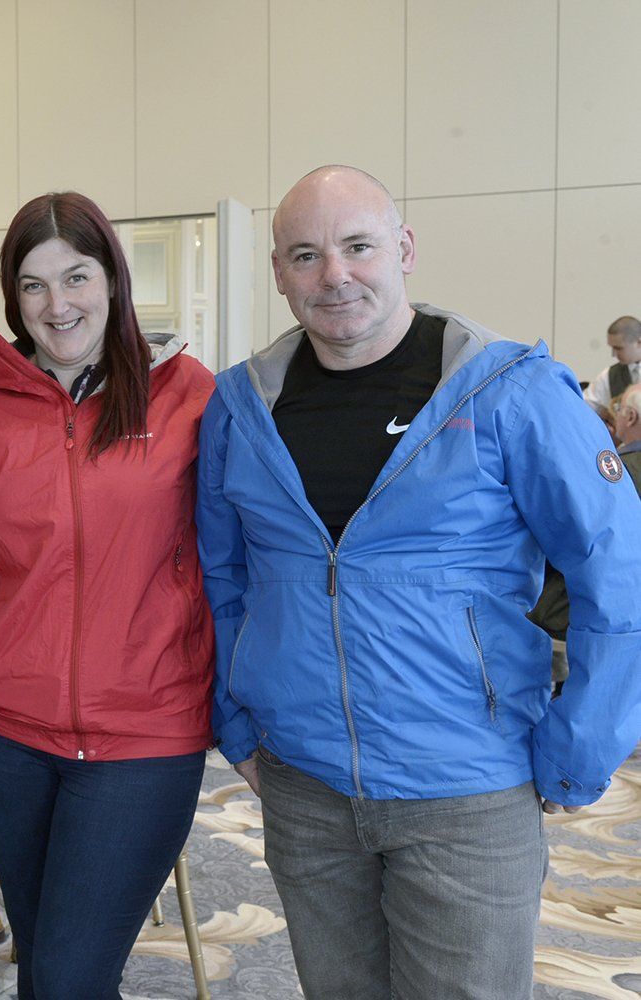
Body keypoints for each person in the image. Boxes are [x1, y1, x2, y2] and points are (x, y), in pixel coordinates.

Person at [197, 164, 641, 1000]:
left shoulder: (510, 390)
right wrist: (237, 721)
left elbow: (620, 574)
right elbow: (222, 576)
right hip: (302, 783)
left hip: (468, 786)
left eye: (358, 246)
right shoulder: (242, 406)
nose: (335, 275)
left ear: (403, 248)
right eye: (306, 255)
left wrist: (582, 746)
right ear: (280, 273)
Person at [0, 191, 215, 1000]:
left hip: (144, 735)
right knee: (49, 968)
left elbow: (233, 561)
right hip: (4, 737)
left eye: (76, 276)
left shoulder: (188, 396)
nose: (57, 304)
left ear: (114, 279)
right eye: (33, 284)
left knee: (66, 978)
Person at [582, 315, 641, 409]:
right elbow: (585, 403)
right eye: (612, 348)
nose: (613, 354)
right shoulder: (609, 375)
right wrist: (602, 412)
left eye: (618, 348)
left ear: (639, 343)